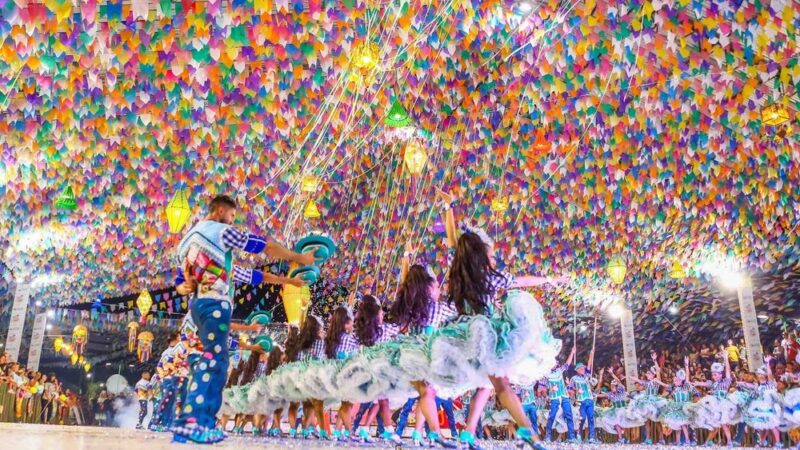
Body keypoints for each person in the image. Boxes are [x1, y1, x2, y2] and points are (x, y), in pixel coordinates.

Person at [171, 194, 314, 444]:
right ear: (219, 212)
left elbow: (251, 276)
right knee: (215, 362)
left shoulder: (190, 243)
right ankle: (194, 422)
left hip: (199, 307)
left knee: (207, 362)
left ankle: (194, 422)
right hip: (215, 305)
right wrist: (299, 259)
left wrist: (289, 281)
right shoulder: (219, 231)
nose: (231, 221)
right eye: (231, 216)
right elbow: (264, 245)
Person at [439, 190, 560, 450]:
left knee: (487, 387)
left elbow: (453, 242)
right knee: (501, 384)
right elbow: (521, 280)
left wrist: (448, 206)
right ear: (481, 257)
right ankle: (528, 431)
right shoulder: (489, 278)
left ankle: (468, 433)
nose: (495, 260)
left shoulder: (460, 274)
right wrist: (548, 280)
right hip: (487, 335)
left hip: (467, 334)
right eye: (492, 256)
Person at [692, 348, 736, 446]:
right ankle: (708, 442)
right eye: (713, 375)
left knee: (724, 424)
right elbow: (705, 384)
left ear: (721, 374)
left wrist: (726, 358)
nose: (715, 376)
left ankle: (729, 442)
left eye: (716, 375)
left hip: (724, 405)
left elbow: (728, 371)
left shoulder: (726, 382)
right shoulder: (713, 383)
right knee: (715, 425)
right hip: (715, 406)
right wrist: (698, 382)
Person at [544, 346, 577, 442]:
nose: (554, 365)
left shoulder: (559, 370)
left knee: (569, 415)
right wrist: (551, 388)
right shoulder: (546, 374)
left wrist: (572, 352)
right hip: (555, 397)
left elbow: (567, 363)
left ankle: (572, 437)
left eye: (555, 363)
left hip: (564, 396)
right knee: (552, 416)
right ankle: (547, 436)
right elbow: (543, 386)